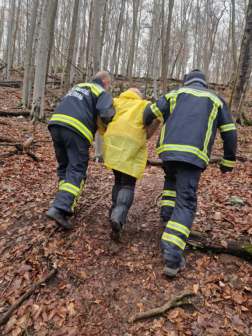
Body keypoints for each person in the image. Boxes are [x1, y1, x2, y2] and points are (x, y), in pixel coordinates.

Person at [143, 69, 237, 276]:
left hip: (168, 151)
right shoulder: (216, 99)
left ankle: (167, 216)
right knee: (186, 201)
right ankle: (172, 255)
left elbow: (149, 114)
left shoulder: (174, 94)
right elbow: (230, 133)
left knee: (170, 179)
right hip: (193, 155)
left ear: (186, 81)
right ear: (204, 83)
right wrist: (228, 161)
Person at [47, 71, 115, 230]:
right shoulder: (102, 92)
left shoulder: (78, 87)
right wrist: (106, 129)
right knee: (77, 168)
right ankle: (59, 208)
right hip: (76, 129)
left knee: (65, 167)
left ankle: (65, 207)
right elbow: (105, 113)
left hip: (56, 124)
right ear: (106, 83)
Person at [103, 88, 161, 241]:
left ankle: (113, 212)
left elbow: (103, 115)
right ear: (139, 96)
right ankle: (118, 216)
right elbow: (157, 117)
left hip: (113, 142)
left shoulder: (115, 101)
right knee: (127, 184)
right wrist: (148, 132)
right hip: (132, 144)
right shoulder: (143, 105)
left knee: (118, 180)